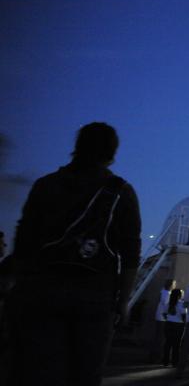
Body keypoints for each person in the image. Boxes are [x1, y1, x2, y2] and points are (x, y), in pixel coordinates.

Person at [6, 122, 141, 386]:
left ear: (76, 147)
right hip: (94, 298)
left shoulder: (45, 186)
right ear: (112, 152)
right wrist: (123, 300)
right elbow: (130, 254)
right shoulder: (120, 193)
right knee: (85, 374)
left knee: (39, 370)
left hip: (42, 292)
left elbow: (23, 243)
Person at [152, 279, 175, 362]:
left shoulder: (164, 292)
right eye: (174, 284)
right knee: (160, 338)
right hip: (162, 318)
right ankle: (156, 356)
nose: (174, 286)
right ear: (170, 285)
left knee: (159, 337)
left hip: (161, 317)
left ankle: (156, 356)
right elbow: (166, 304)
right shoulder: (166, 293)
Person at [162, 288, 186, 367]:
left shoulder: (168, 303)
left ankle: (165, 361)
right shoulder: (182, 304)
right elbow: (184, 316)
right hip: (178, 325)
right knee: (176, 345)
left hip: (168, 324)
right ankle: (174, 362)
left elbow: (164, 314)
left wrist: (168, 319)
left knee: (167, 343)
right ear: (179, 295)